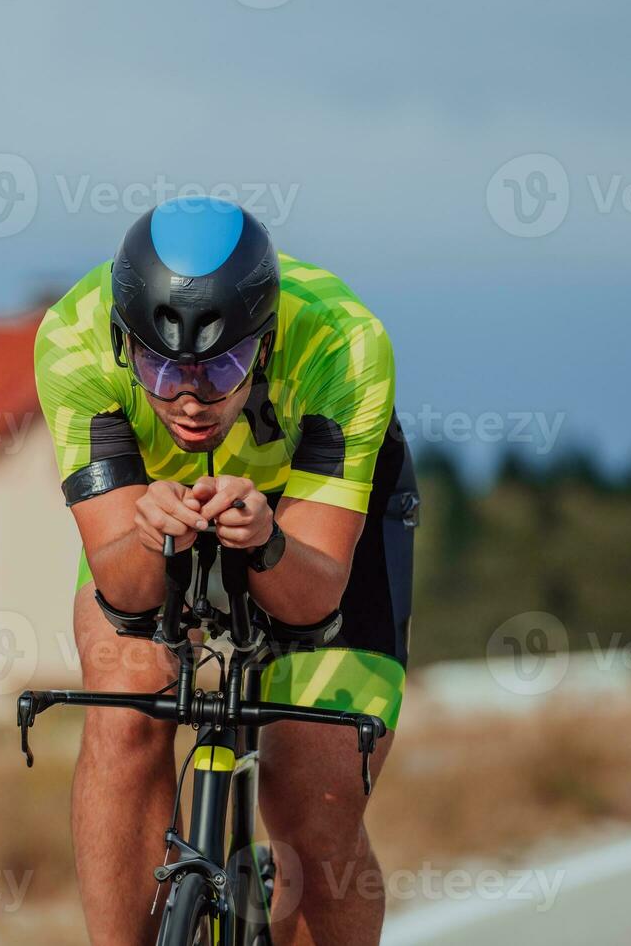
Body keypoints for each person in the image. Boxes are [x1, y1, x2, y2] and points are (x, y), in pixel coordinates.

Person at [34, 196, 418, 945]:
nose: (189, 398)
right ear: (121, 342)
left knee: (311, 796)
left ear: (266, 345)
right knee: (122, 709)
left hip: (307, 520)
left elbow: (312, 602)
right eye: (157, 366)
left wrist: (268, 541)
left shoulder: (345, 344)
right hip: (154, 509)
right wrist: (148, 539)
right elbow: (125, 591)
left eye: (225, 365)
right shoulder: (71, 341)